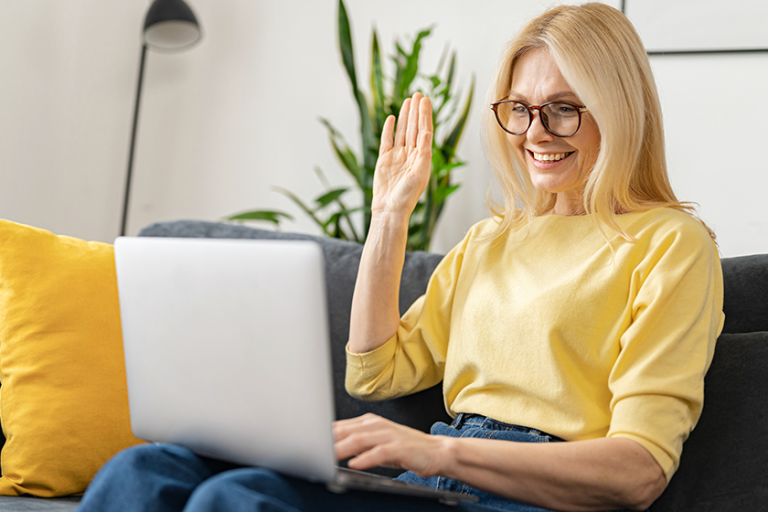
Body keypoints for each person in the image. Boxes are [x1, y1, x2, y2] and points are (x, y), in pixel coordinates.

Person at [76, 3, 723, 512]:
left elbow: (637, 471)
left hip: (520, 496)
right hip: (439, 479)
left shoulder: (669, 243)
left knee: (235, 501)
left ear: (618, 110)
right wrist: (389, 216)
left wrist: (440, 452)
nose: (534, 135)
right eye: (520, 110)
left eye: (561, 110)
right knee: (144, 467)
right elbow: (375, 372)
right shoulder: (491, 240)